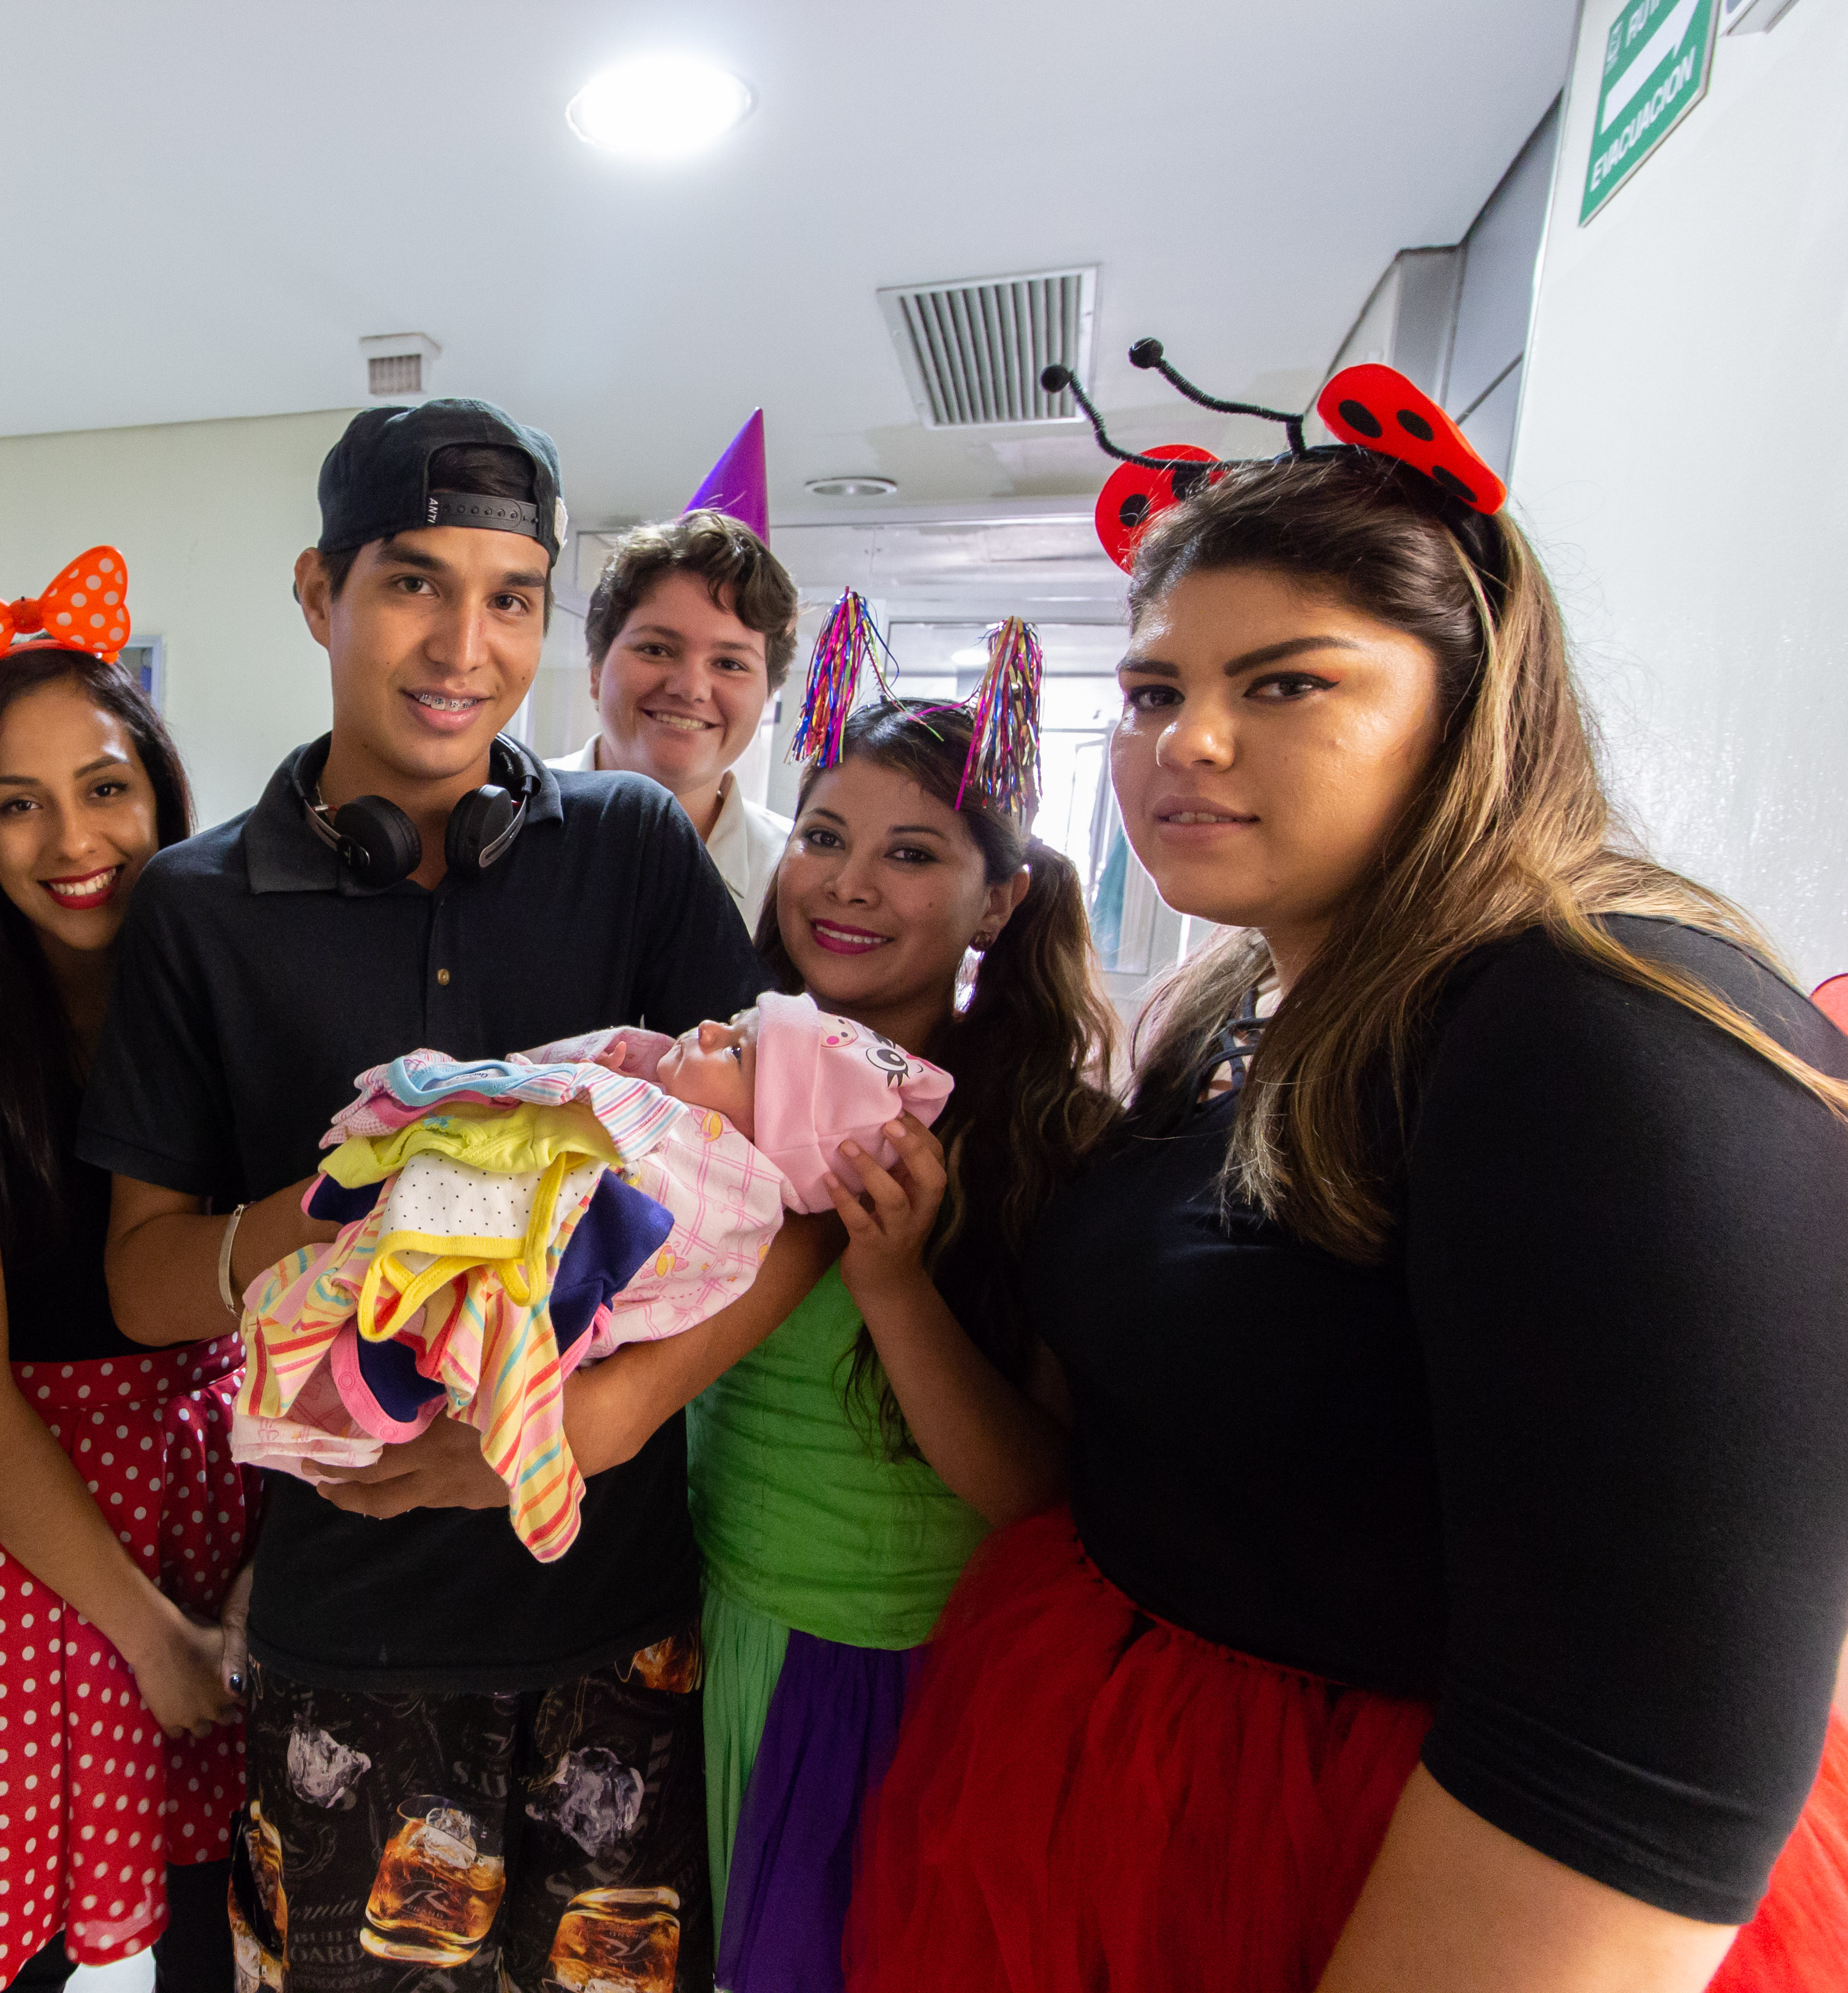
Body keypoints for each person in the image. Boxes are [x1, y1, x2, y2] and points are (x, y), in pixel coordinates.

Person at [844, 358, 1848, 1989]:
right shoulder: (1233, 1008)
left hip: (1372, 1872)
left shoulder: (1605, 1022)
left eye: (1290, 684)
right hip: (1091, 1800)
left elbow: (1639, 1764)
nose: (1191, 742)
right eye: (1159, 692)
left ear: (1463, 710)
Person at [81, 399, 841, 1993]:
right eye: (416, 583)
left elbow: (807, 1200)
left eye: (512, 598)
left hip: (618, 1625)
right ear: (319, 594)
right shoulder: (197, 908)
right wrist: (385, 1176)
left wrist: (602, 1425)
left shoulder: (629, 846)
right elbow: (146, 1282)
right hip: (344, 1639)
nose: (465, 644)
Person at [0, 556, 247, 1993]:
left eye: (104, 785)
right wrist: (154, 1637)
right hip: (39, 1535)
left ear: (163, 792)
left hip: (235, 1496)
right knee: (27, 1949)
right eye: (17, 802)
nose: (71, 838)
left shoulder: (227, 1013)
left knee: (226, 1924)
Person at [687, 695, 1116, 1993]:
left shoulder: (1056, 1142)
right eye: (822, 835)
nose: (847, 885)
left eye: (913, 852)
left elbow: (1035, 1491)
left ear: (1001, 902)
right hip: (689, 1636)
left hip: (885, 1679)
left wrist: (892, 1284)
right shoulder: (708, 1081)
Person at [231, 996, 949, 1566]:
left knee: (419, 1318)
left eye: (734, 1050)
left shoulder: (726, 1192)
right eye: (735, 1025)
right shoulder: (667, 1097)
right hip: (464, 1216)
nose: (705, 1027)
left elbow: (604, 1245)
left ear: (764, 1132)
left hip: (533, 1285)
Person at [549, 508, 797, 930]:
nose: (691, 688)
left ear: (769, 694)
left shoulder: (796, 880)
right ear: (596, 668)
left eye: (729, 663)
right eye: (656, 650)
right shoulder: (497, 822)